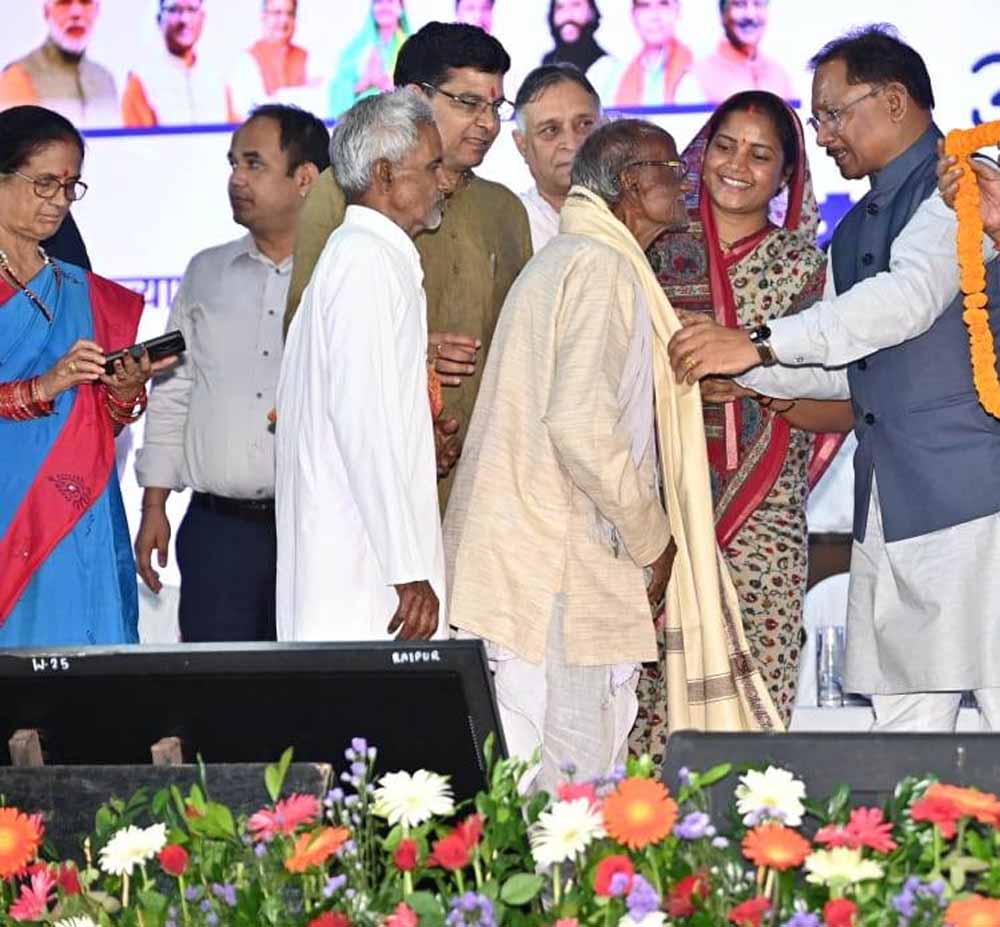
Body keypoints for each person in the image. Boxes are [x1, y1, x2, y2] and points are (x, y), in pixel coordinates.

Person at [666, 27, 1000, 732]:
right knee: (906, 732)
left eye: (833, 114)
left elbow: (904, 303)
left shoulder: (961, 185)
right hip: (891, 505)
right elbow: (852, 370)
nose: (821, 136)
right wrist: (755, 374)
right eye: (817, 119)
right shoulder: (848, 235)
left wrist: (755, 342)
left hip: (976, 499)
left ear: (895, 101)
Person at [445, 119, 781, 792]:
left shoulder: (578, 258)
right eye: (672, 171)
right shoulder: (599, 266)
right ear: (632, 184)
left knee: (549, 794)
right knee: (569, 798)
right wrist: (655, 540)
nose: (685, 183)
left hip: (540, 559)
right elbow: (581, 426)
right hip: (554, 571)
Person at [630, 92, 851, 753]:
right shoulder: (653, 253)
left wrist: (759, 380)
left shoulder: (806, 269)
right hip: (655, 517)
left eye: (760, 155)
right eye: (725, 146)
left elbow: (845, 404)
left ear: (785, 176)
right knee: (647, 709)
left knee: (754, 712)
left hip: (764, 525)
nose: (736, 165)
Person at [285, 22, 533, 509]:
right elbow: (305, 334)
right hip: (372, 482)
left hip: (486, 486)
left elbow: (520, 355)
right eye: (468, 103)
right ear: (415, 98)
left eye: (495, 107)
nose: (488, 124)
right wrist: (412, 351)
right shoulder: (344, 192)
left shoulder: (504, 210)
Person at [134, 105, 328, 643]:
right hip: (217, 534)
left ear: (305, 179)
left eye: (254, 164)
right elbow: (173, 391)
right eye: (232, 164)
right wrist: (154, 504)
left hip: (316, 532)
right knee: (217, 687)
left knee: (313, 686)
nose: (236, 179)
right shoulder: (206, 272)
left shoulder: (339, 272)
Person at [276, 90, 448, 643]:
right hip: (364, 574)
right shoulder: (364, 261)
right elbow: (363, 423)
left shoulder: (367, 255)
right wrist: (406, 568)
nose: (444, 182)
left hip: (364, 559)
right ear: (385, 174)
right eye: (432, 167)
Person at [0, 106, 174, 647]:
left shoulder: (80, 289)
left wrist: (123, 391)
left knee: (84, 664)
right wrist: (44, 386)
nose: (59, 201)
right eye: (44, 183)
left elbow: (102, 422)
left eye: (70, 186)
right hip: (10, 506)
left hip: (81, 509)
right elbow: (50, 391)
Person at [512, 64, 600, 251]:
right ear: (522, 145)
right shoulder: (508, 228)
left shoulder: (637, 217)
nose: (572, 144)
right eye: (551, 130)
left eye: (584, 124)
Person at [0, 0, 118, 128]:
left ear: (97, 10)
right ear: (46, 12)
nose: (76, 13)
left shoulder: (105, 79)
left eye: (85, 2)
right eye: (64, 2)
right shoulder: (18, 77)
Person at [122, 0, 230, 127]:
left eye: (192, 10)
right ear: (159, 18)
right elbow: (136, 137)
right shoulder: (141, 80)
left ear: (202, 17)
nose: (184, 20)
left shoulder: (216, 77)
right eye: (174, 10)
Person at [688, 0, 793, 104]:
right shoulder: (698, 76)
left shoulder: (779, 74)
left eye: (758, 4)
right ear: (722, 14)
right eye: (740, 4)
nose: (750, 15)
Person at [227, 0, 312, 120]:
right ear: (264, 16)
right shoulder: (246, 63)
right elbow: (242, 117)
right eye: (277, 13)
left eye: (290, 13)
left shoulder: (307, 58)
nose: (284, 20)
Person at [329, 0, 411, 119]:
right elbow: (338, 87)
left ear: (401, 8)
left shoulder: (411, 46)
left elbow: (418, 92)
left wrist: (387, 84)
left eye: (390, 1)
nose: (384, 7)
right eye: (379, 2)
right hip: (359, 119)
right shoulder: (356, 48)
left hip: (397, 120)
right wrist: (363, 83)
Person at [610, 0, 692, 107]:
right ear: (633, 15)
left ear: (677, 10)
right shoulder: (611, 74)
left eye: (664, 4)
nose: (654, 16)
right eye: (644, 6)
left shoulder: (698, 70)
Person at [542, 0, 618, 98]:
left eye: (576, 5)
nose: (567, 16)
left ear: (592, 12)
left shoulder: (609, 69)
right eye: (560, 7)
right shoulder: (546, 66)